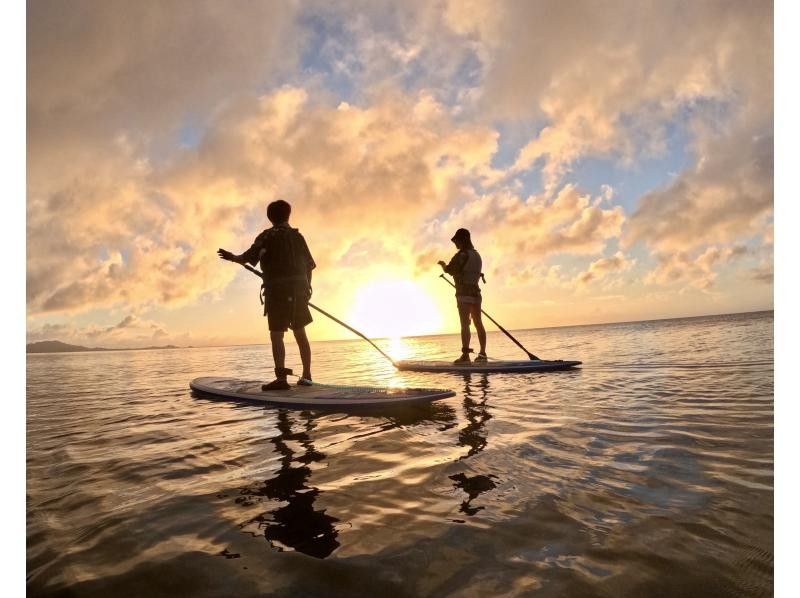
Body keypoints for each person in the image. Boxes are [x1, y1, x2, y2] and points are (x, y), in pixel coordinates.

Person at [218, 199, 316, 390]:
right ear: (288, 215)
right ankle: (306, 375)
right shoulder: (298, 237)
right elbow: (309, 266)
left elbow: (247, 257)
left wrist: (232, 258)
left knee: (277, 335)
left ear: (270, 217)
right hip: (299, 291)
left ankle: (281, 380)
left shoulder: (266, 237)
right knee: (300, 333)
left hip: (277, 292)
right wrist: (307, 289)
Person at [438, 228, 487, 364]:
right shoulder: (477, 255)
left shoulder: (462, 255)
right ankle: (483, 354)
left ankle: (465, 356)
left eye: (457, 241)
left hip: (464, 295)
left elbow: (450, 270)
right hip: (476, 294)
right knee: (478, 323)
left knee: (465, 324)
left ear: (462, 240)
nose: (456, 244)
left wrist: (442, 265)